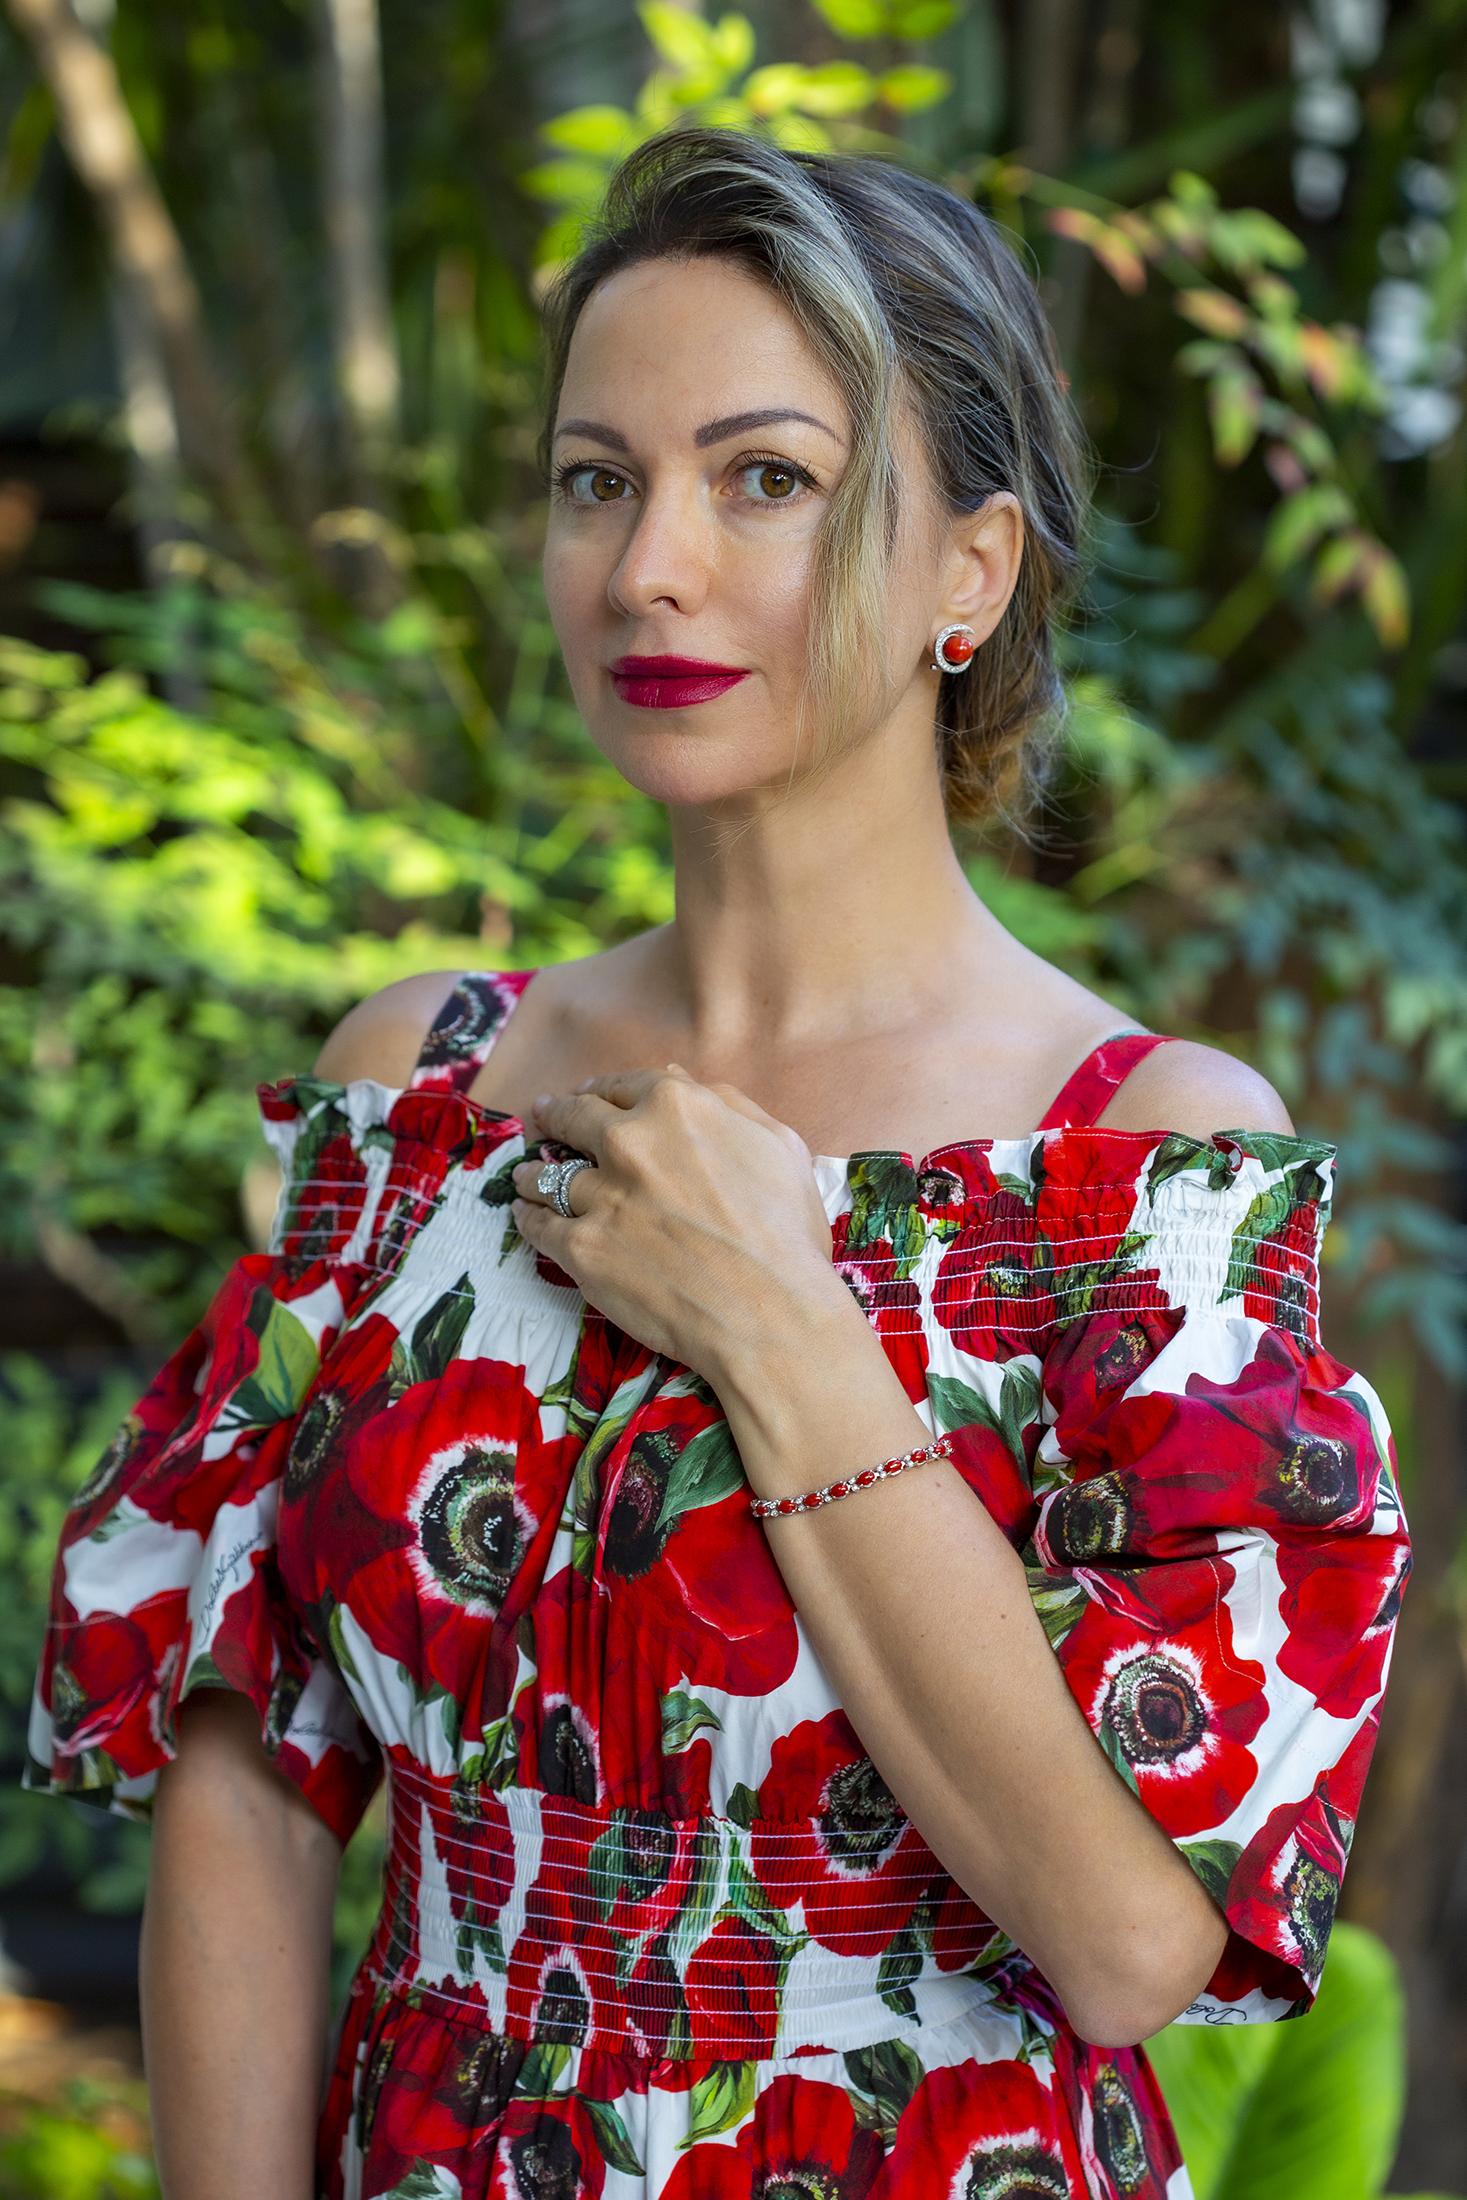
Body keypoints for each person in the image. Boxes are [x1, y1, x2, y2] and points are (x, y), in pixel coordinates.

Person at [23, 124, 1412, 2200]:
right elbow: (248, 1770)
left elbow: (1127, 1937)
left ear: (969, 565)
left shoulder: (1141, 1165)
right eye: (600, 478)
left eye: (761, 478)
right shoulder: (420, 1089)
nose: (645, 563)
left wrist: (778, 1319)